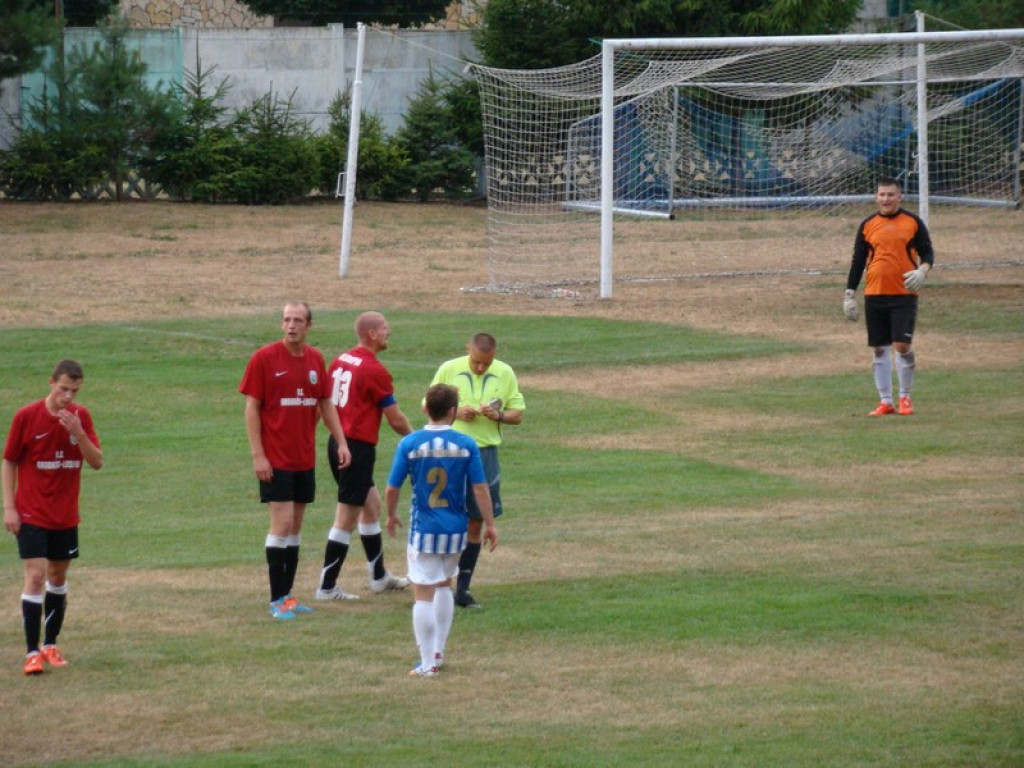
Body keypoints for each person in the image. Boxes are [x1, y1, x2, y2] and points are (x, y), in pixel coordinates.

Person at [239, 301, 352, 620]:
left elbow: (325, 404)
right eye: (287, 320)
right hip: (275, 457)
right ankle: (277, 600)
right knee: (282, 522)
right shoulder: (264, 358)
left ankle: (288, 597)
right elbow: (252, 408)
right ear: (281, 324)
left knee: (297, 525)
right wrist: (258, 455)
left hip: (304, 457)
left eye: (298, 320)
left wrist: (341, 441)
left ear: (309, 326)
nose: (291, 325)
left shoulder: (316, 359)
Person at [385, 384, 498, 677]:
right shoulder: (466, 444)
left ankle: (427, 662)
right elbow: (480, 487)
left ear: (426, 409)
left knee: (422, 594)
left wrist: (391, 514)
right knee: (445, 584)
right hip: (456, 530)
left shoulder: (410, 444)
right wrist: (490, 524)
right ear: (453, 411)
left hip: (424, 530)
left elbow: (392, 486)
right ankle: (439, 650)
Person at [3, 359, 103, 675]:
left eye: (74, 391)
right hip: (31, 512)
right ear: (51, 383)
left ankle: (50, 645)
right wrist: (9, 507)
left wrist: (78, 433)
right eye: (63, 389)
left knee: (57, 578)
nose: (68, 397)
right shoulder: (26, 417)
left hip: (65, 515)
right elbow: (9, 461)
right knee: (35, 576)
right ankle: (31, 653)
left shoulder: (81, 417)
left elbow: (97, 461)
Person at [315, 311, 413, 601]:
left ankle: (379, 577)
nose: (389, 332)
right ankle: (327, 586)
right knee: (345, 518)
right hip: (356, 448)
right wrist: (417, 440)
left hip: (337, 442)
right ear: (371, 333)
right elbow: (395, 419)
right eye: (384, 328)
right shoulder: (374, 370)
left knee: (371, 505)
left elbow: (326, 406)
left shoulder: (341, 360)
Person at [428, 332, 524, 609]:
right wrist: (456, 413)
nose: (481, 367)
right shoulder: (449, 369)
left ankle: (463, 590)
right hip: (450, 452)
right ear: (467, 349)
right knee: (445, 519)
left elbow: (518, 412)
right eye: (476, 361)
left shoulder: (505, 373)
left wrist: (500, 416)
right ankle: (436, 584)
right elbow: (427, 405)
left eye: (486, 363)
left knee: (475, 521)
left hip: (485, 453)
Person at [843, 178, 934, 417]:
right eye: (882, 194)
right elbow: (858, 262)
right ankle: (886, 401)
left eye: (890, 195)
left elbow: (927, 252)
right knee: (879, 349)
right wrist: (849, 294)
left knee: (902, 345)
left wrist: (922, 271)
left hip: (904, 294)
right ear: (876, 197)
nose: (886, 199)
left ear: (899, 196)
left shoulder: (913, 222)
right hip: (874, 294)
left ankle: (905, 397)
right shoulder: (867, 225)